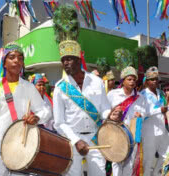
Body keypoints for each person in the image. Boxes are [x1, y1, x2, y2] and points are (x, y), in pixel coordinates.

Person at [0, 42, 51, 175]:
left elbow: (45, 110)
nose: (17, 60)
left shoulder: (29, 87)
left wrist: (37, 117)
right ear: (4, 63)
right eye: (12, 57)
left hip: (21, 148)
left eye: (20, 58)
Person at [53, 37, 124, 176]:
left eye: (69, 59)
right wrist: (76, 141)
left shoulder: (97, 82)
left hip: (95, 138)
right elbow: (59, 123)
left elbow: (104, 108)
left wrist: (110, 115)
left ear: (79, 60)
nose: (65, 63)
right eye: (63, 60)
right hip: (72, 141)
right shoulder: (59, 88)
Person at [107, 66, 148, 176]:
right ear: (123, 81)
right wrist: (112, 113)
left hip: (132, 133)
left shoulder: (140, 97)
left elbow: (145, 112)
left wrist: (141, 115)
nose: (132, 82)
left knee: (129, 163)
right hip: (116, 132)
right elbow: (106, 111)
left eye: (134, 80)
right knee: (116, 161)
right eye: (129, 79)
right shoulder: (113, 94)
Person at [140, 66, 169, 176]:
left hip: (162, 129)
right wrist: (159, 110)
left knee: (167, 153)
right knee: (148, 159)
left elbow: (165, 108)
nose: (155, 81)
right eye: (152, 79)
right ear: (147, 81)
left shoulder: (161, 93)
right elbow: (144, 112)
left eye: (156, 79)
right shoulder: (142, 95)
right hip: (149, 131)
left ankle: (156, 174)